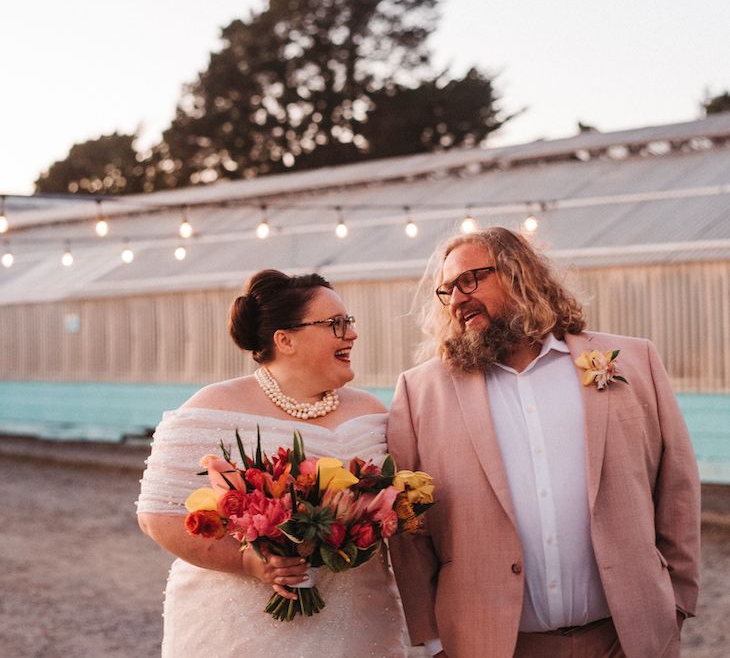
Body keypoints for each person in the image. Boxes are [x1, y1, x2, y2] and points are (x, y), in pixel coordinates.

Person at [386, 227, 700, 658]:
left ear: (519, 274)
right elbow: (408, 528)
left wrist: (677, 602)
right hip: (491, 644)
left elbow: (677, 486)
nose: (457, 299)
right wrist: (433, 639)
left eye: (469, 281)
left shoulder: (634, 362)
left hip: (625, 639)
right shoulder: (420, 393)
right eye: (447, 291)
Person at [137, 269, 408, 657]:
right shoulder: (213, 408)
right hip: (242, 628)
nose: (352, 333)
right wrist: (249, 562)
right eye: (335, 324)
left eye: (348, 322)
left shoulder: (372, 412)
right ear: (285, 340)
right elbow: (156, 517)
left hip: (359, 621)